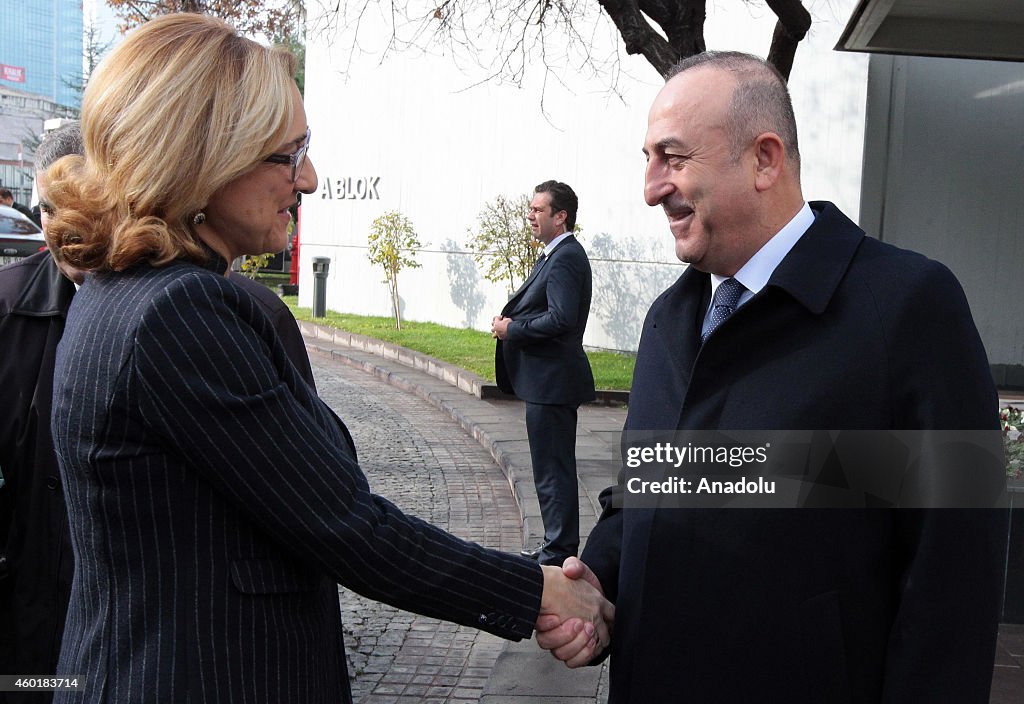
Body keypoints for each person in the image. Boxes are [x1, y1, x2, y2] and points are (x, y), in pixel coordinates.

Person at [43, 14, 611, 703]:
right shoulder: (176, 314)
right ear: (198, 157)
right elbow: (345, 523)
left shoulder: (122, 293)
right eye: (286, 155)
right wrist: (538, 591)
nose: (308, 179)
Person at [538, 51, 1006, 702]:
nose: (649, 187)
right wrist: (601, 583)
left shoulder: (909, 307)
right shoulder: (668, 321)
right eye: (647, 159)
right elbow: (652, 485)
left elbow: (954, 579)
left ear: (764, 159)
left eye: (673, 158)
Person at [491, 180, 595, 566]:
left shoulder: (566, 256)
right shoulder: (554, 255)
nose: (530, 215)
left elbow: (562, 318)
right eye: (531, 209)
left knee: (553, 472)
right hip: (546, 382)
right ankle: (557, 545)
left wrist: (511, 330)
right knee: (551, 470)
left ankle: (558, 551)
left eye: (538, 209)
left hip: (552, 383)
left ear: (560, 216)